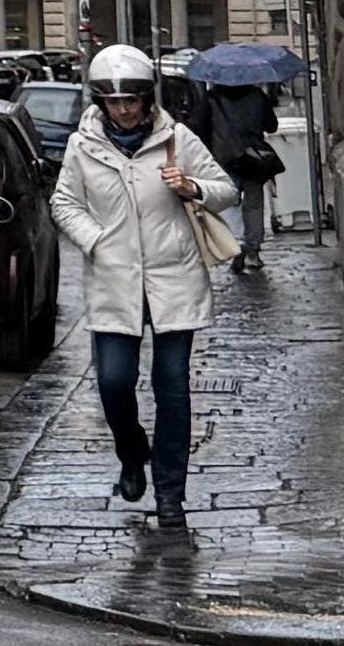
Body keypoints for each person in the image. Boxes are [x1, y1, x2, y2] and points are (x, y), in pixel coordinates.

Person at [51, 42, 243, 519]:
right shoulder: (83, 146)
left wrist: (192, 188)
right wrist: (95, 240)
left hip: (174, 278)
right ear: (101, 102)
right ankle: (132, 453)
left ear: (146, 99)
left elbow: (227, 190)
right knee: (115, 383)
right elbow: (64, 204)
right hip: (114, 282)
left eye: (132, 100)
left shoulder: (177, 140)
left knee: (172, 389)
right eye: (114, 101)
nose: (124, 110)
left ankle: (170, 494)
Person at [198, 59, 281, 273]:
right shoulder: (256, 96)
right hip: (253, 157)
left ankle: (235, 244)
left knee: (227, 202)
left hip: (224, 158)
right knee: (254, 204)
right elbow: (272, 126)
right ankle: (252, 251)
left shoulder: (212, 98)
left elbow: (201, 128)